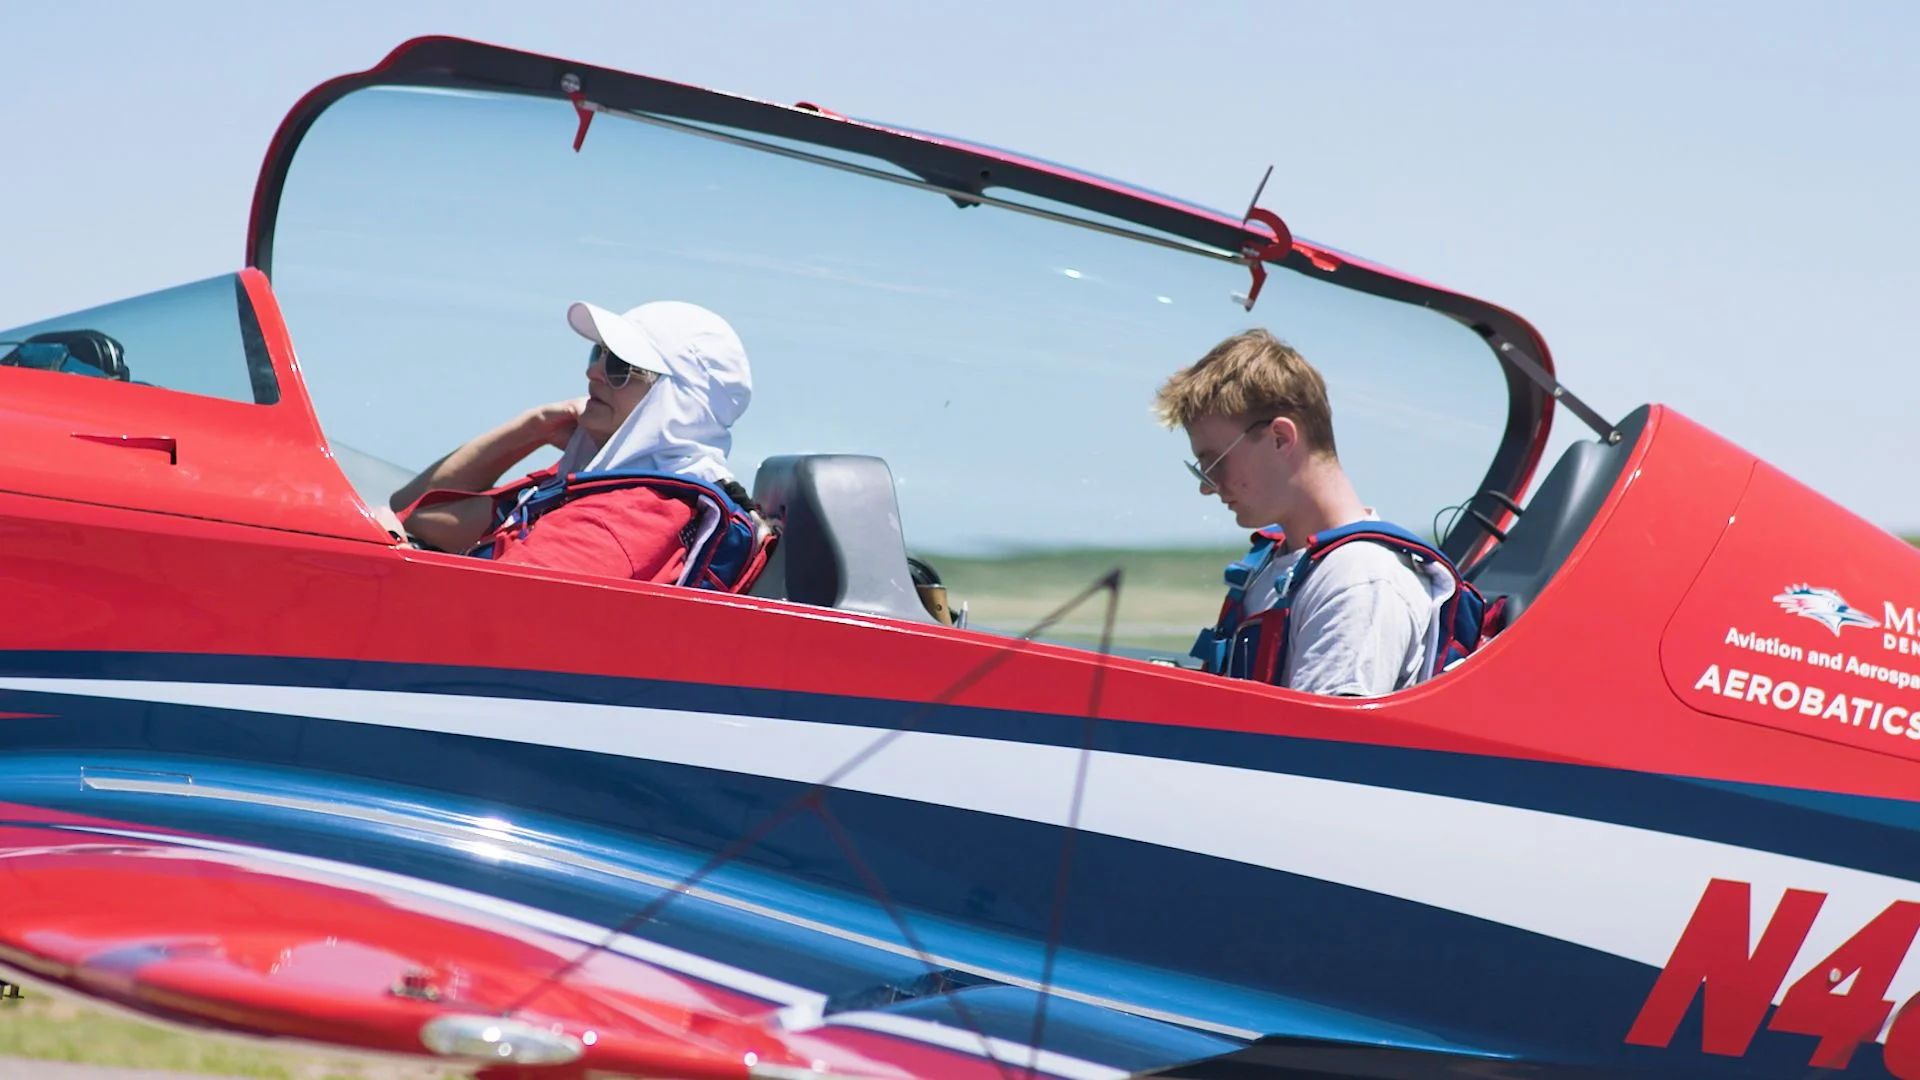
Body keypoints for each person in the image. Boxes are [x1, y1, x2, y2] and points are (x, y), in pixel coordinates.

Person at [1155, 329, 1457, 697]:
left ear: (1280, 438)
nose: (1207, 485)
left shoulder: (1358, 581)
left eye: (1215, 462)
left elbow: (1320, 747)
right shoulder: (1275, 566)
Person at [387, 299, 769, 589]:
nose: (592, 372)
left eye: (620, 366)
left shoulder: (627, 516)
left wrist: (389, 555)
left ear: (673, 404)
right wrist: (532, 428)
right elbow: (412, 512)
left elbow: (484, 610)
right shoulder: (596, 484)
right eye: (597, 353)